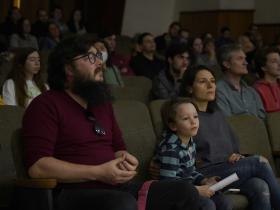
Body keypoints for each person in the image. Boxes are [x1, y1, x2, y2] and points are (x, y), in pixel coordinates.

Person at [22, 35, 199, 210]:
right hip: (72, 193)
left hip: (116, 188)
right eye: (91, 57)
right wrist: (98, 172)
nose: (99, 62)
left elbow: (118, 148)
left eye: (99, 56)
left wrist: (124, 160)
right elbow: (38, 167)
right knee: (123, 203)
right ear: (69, 68)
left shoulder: (102, 104)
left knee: (186, 191)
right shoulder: (45, 104)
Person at [179, 65, 280, 210]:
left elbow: (231, 147)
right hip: (203, 175)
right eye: (202, 81)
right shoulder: (184, 116)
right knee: (259, 162)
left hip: (227, 170)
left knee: (259, 186)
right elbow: (174, 147)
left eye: (213, 81)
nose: (210, 86)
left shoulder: (218, 114)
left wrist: (236, 156)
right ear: (190, 88)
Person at [156, 98, 233, 210]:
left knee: (223, 201)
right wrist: (198, 190)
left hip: (190, 189)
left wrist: (204, 180)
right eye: (186, 118)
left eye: (196, 116)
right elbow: (169, 185)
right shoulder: (171, 149)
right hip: (177, 195)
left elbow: (190, 172)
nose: (193, 122)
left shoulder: (190, 143)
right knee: (207, 205)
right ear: (173, 125)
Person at [215, 43, 265, 119]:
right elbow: (227, 122)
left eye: (245, 58)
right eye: (240, 59)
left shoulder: (251, 91)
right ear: (227, 64)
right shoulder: (218, 90)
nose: (245, 63)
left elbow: (262, 118)